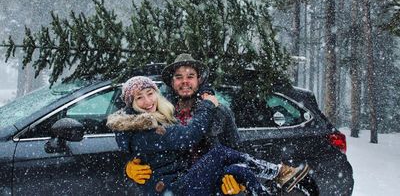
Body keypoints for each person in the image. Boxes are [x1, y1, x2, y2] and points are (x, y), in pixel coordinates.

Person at [107, 76, 310, 195]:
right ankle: (277, 171)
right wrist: (128, 169)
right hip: (175, 188)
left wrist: (236, 185)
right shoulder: (145, 126)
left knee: (238, 170)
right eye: (139, 98)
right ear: (131, 104)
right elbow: (188, 137)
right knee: (220, 153)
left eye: (150, 94)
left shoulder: (166, 114)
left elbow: (235, 149)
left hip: (190, 180)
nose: (147, 101)